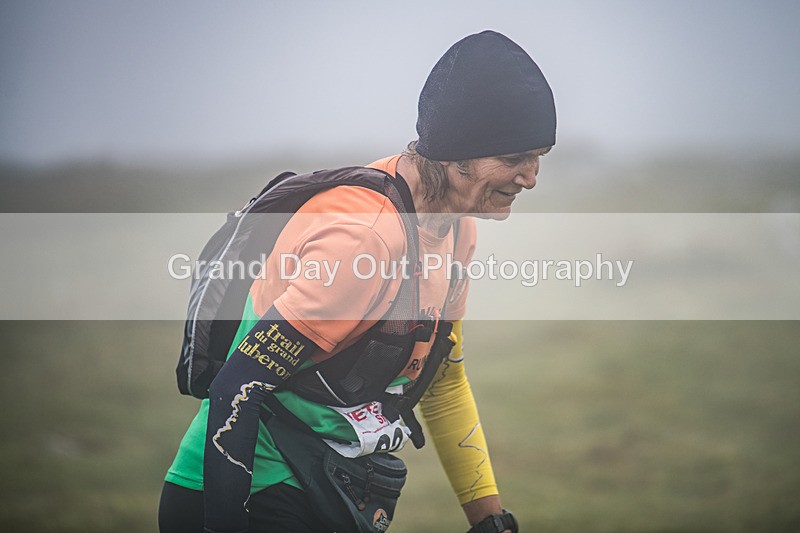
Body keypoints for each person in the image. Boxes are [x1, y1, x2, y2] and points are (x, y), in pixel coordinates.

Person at [159, 30, 556, 533]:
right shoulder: (367, 238)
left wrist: (491, 521)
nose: (531, 177)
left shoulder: (457, 230)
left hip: (333, 486)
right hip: (249, 492)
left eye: (540, 156)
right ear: (457, 154)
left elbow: (442, 381)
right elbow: (239, 385)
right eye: (515, 159)